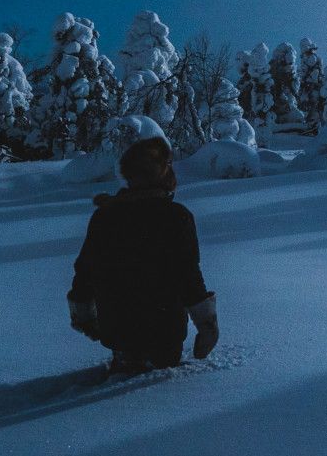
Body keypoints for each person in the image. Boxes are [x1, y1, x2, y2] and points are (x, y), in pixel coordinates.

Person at [67, 136, 218, 375]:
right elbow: (188, 273)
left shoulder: (105, 217)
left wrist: (83, 316)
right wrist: (207, 325)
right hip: (164, 331)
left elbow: (85, 269)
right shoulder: (176, 217)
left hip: (117, 330)